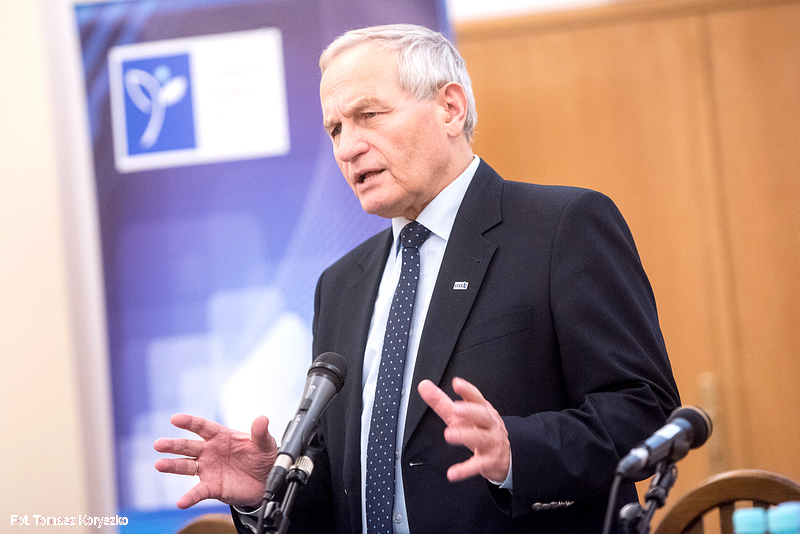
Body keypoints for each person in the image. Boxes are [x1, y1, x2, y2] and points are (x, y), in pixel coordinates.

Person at [154, 24, 680, 534]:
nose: (347, 147)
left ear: (450, 107)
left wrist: (517, 452)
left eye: (368, 115)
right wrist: (270, 487)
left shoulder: (562, 227)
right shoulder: (340, 284)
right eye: (336, 129)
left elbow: (646, 410)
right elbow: (346, 488)